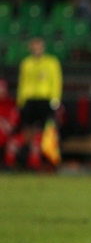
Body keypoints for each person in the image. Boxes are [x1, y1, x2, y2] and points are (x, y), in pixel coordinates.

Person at [17, 37, 63, 170]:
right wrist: (20, 100)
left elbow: (56, 81)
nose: (36, 49)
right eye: (34, 46)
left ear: (43, 47)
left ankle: (48, 158)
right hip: (29, 99)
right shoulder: (26, 63)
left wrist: (55, 99)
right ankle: (27, 158)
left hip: (45, 99)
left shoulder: (51, 62)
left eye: (38, 46)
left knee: (48, 130)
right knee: (28, 129)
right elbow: (22, 82)